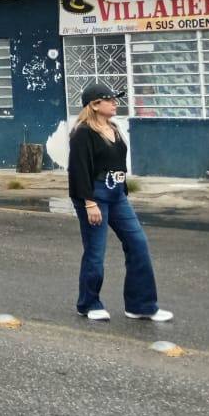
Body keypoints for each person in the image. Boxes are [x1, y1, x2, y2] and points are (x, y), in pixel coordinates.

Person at [68, 82, 172, 324]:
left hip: (117, 195)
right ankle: (89, 303)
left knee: (138, 244)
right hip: (95, 194)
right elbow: (79, 170)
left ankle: (142, 305)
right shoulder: (83, 132)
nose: (116, 103)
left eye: (116, 99)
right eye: (110, 99)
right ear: (94, 105)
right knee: (96, 251)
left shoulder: (113, 127)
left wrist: (123, 190)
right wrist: (89, 203)